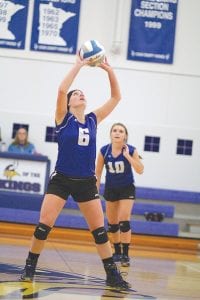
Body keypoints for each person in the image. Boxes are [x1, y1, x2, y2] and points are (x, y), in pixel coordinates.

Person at [20, 55, 131, 290]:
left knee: (100, 232)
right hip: (61, 179)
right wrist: (79, 65)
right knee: (43, 225)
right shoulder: (63, 118)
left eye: (82, 93)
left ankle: (112, 275)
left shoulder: (93, 119)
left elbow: (116, 97)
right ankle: (30, 267)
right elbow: (62, 89)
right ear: (70, 103)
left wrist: (109, 70)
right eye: (76, 94)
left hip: (85, 182)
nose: (80, 94)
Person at [96, 123, 144, 267]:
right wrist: (95, 190)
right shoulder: (104, 150)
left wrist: (127, 156)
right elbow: (98, 172)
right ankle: (117, 252)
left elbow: (140, 169)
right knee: (112, 224)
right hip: (111, 189)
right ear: (111, 134)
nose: (117, 133)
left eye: (121, 131)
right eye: (114, 130)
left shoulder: (132, 150)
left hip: (126, 189)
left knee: (124, 221)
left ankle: (125, 254)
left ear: (125, 136)